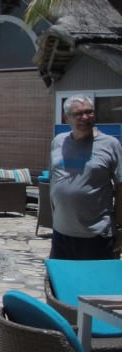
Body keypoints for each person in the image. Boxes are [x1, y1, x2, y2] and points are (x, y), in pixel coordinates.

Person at [49, 94, 122, 259]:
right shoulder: (58, 142)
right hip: (61, 233)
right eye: (78, 114)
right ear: (66, 118)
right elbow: (55, 182)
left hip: (97, 236)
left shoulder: (110, 144)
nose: (85, 117)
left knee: (95, 284)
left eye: (89, 112)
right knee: (62, 283)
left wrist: (120, 229)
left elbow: (120, 189)